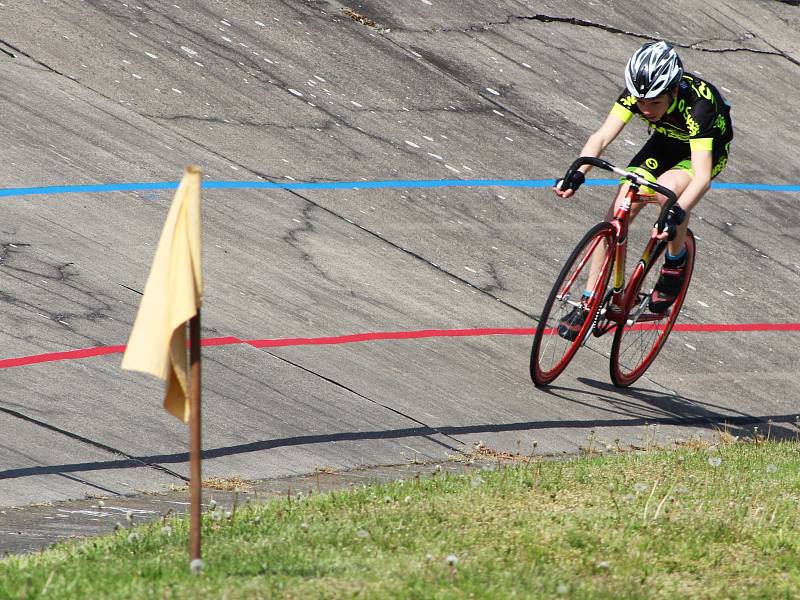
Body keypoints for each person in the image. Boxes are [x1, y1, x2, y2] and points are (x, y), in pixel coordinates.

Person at [553, 40, 733, 340]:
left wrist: (675, 213)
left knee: (667, 191)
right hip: (664, 143)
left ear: (673, 92)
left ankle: (674, 263)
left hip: (701, 152)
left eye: (655, 104)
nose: (646, 110)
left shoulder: (699, 107)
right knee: (621, 205)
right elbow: (601, 137)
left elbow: (701, 178)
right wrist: (577, 172)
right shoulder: (639, 93)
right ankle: (588, 303)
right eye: (641, 103)